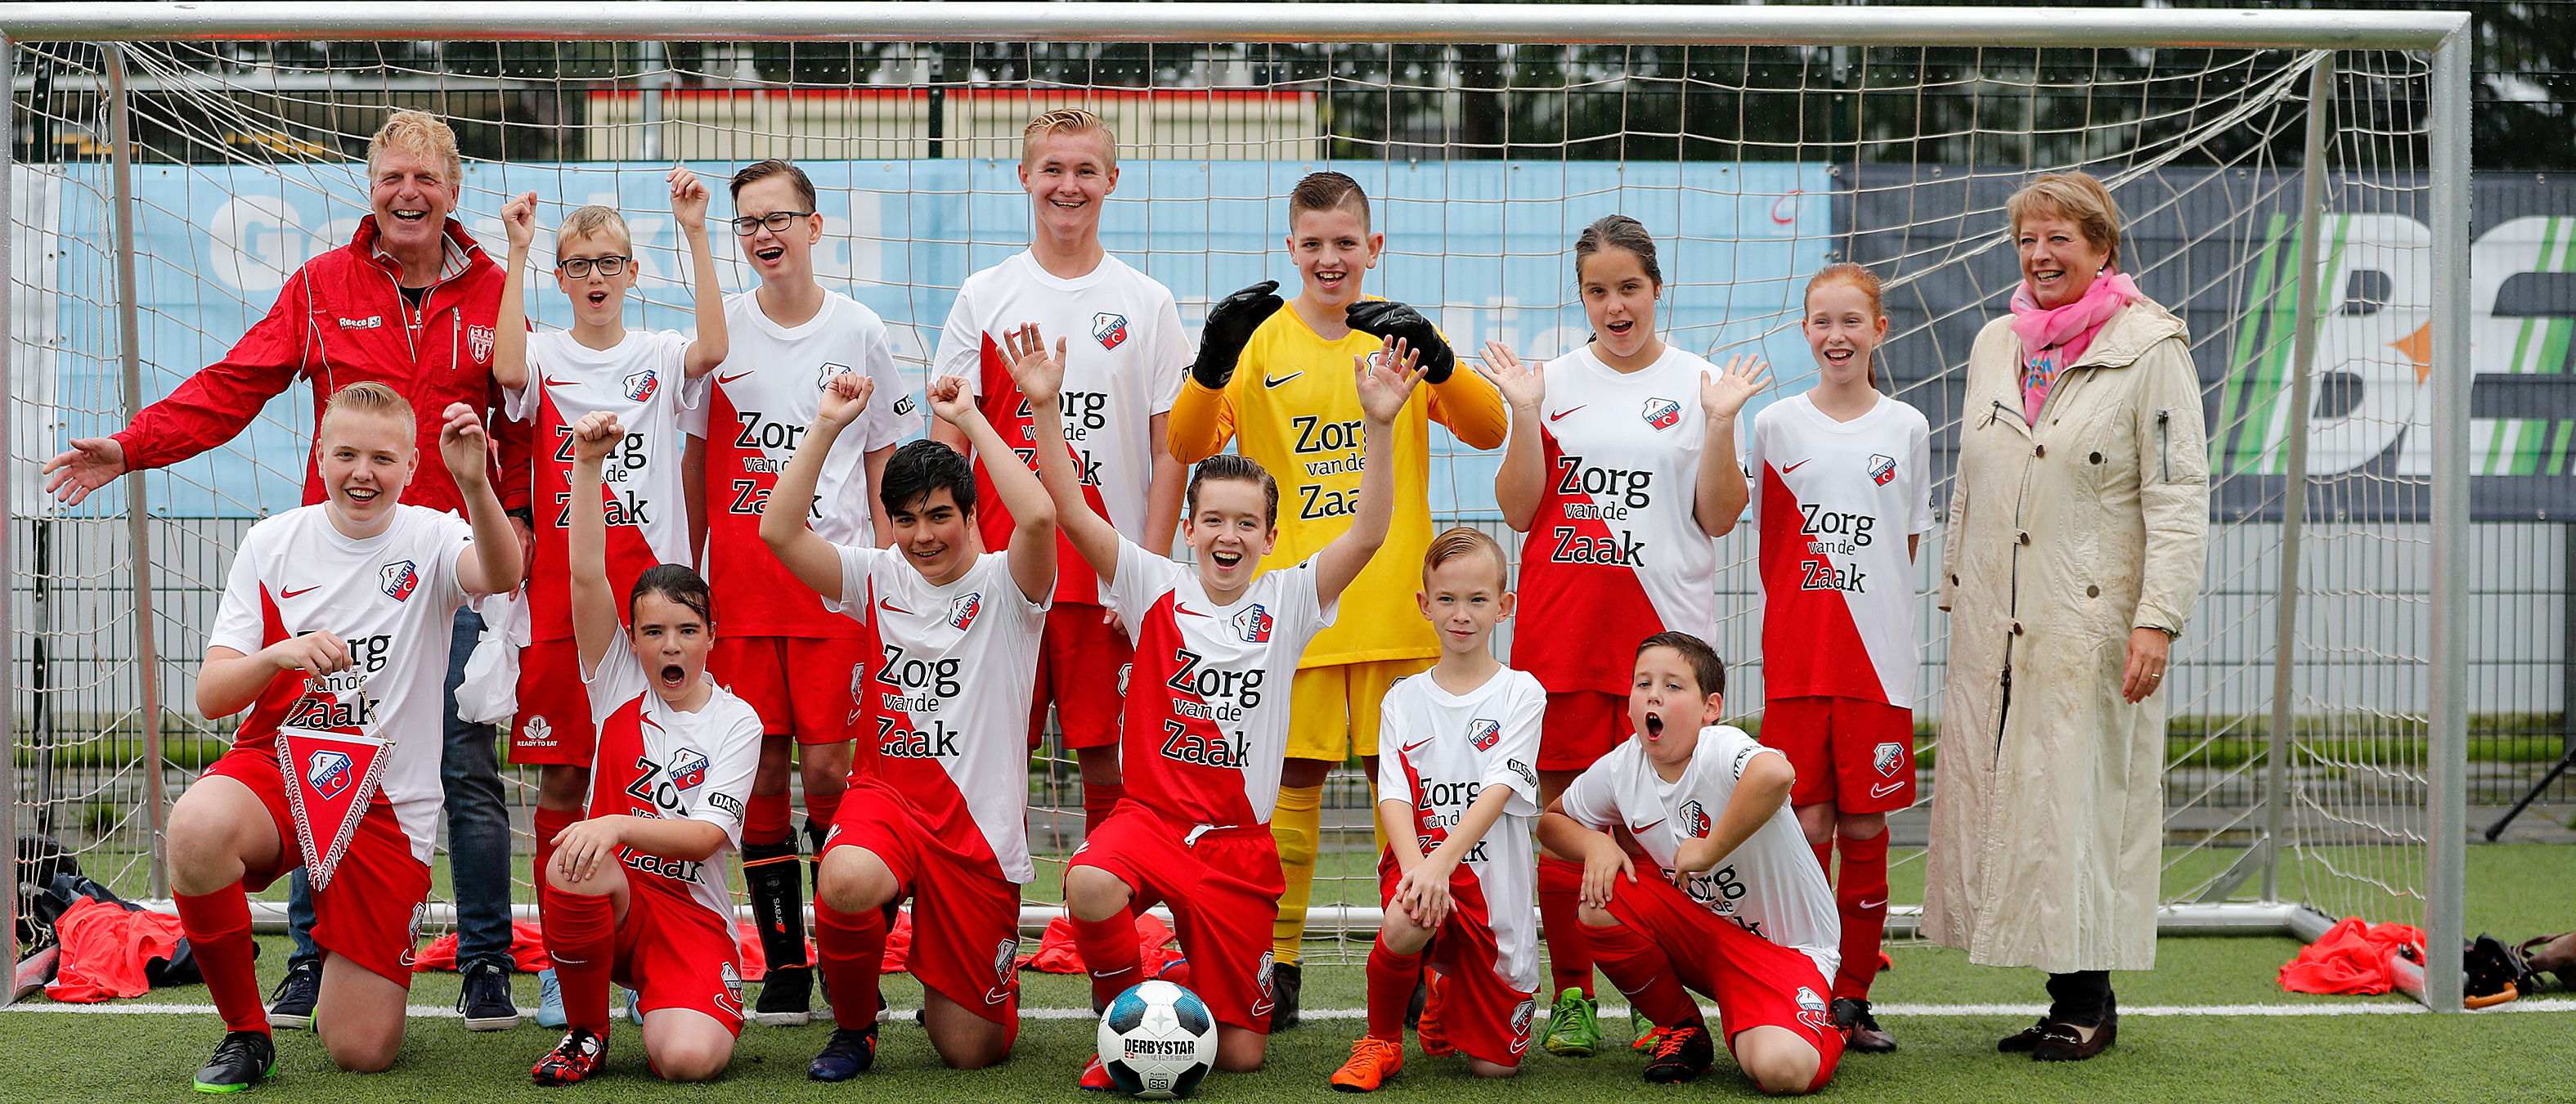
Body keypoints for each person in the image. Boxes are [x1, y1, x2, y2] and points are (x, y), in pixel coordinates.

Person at [42, 110, 531, 1032]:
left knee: (465, 766)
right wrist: (133, 447)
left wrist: (524, 546)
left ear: (454, 190)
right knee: (316, 753)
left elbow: (521, 430)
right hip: (334, 582)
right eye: (391, 177)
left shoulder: (497, 293)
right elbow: (236, 385)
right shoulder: (322, 285)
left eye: (425, 178)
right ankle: (309, 959)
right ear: (371, 186)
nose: (408, 193)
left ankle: (484, 962)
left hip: (449, 569)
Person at [1168, 172, 1509, 1026]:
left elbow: (1489, 427)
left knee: (1422, 800)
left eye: (1345, 244)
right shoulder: (1259, 345)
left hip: (1400, 612)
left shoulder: (1394, 336)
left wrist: (1440, 352)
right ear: (1291, 250)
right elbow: (1182, 443)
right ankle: (1273, 971)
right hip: (1297, 615)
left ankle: (1436, 963)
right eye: (1312, 244)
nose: (1329, 259)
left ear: (1373, 249)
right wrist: (1211, 362)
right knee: (1287, 795)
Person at [1044, 324, 1425, 1085]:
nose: (1228, 534)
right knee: (1087, 883)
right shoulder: (1153, 583)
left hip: (1236, 847)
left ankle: (1188, 966)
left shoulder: (1290, 599)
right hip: (1150, 822)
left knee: (1244, 1056)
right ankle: (1121, 1018)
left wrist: (1378, 426)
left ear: (1270, 536)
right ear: (1188, 529)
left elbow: (1372, 531)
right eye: (1213, 520)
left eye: (1246, 523)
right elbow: (1073, 512)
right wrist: (1046, 410)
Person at [1925, 170, 2210, 1061]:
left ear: (2102, 250)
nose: (2041, 255)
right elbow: (1971, 482)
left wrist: (2157, 617)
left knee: (2078, 802)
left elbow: (2178, 494)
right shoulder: (1993, 341)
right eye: (2028, 240)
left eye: (2060, 239)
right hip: (1996, 622)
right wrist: (1955, 589)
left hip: (2089, 622)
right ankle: (2061, 997)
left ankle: (2090, 1003)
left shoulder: (2151, 346)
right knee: (2018, 804)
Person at [167, 383, 522, 1090]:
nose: (364, 472)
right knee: (195, 827)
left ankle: (356, 942)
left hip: (387, 800)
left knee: (362, 1049)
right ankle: (245, 1032)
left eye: (383, 458)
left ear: (412, 463)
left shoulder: (432, 532)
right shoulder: (273, 542)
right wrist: (277, 656)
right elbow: (211, 697)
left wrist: (476, 485)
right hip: (284, 766)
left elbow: (505, 572)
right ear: (319, 455)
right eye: (348, 455)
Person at [1478, 214, 1766, 1055]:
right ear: (1581, 297)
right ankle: (1572, 995)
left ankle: (1656, 997)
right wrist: (1523, 415)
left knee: (1657, 828)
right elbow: (1522, 511)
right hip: (1563, 643)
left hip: (1662, 650)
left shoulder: (1702, 383)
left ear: (1656, 289)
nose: (1615, 305)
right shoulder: (1549, 381)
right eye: (1597, 291)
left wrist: (1717, 425)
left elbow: (1719, 515)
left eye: (1629, 288)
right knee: (1565, 823)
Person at [760, 370, 1056, 1078]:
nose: (922, 537)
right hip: (888, 801)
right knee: (844, 878)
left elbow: (1041, 517)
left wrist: (971, 419)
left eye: (939, 516)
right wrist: (828, 423)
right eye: (905, 519)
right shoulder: (877, 576)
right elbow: (777, 530)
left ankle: (975, 978)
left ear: (971, 515)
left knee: (971, 1052)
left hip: (976, 832)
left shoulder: (1011, 587)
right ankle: (856, 1030)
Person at [491, 171, 728, 1027]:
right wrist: (517, 249)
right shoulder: (547, 351)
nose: (595, 276)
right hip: (564, 598)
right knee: (563, 775)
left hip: (651, 600)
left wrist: (695, 232)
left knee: (644, 774)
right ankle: (567, 951)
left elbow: (714, 346)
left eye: (610, 263)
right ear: (561, 279)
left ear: (633, 273)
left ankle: (650, 947)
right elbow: (505, 365)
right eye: (579, 263)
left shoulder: (660, 354)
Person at [928, 109, 1187, 833]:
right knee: (992, 748)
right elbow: (949, 439)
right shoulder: (986, 295)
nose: (1067, 186)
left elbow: (1170, 449)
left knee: (1110, 758)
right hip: (1003, 569)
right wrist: (955, 560)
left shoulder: (1148, 302)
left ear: (1111, 179)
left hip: (1106, 573)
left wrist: (1148, 568)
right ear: (1024, 178)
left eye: (1083, 171)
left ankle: (1105, 931)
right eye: (1052, 170)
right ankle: (992, 922)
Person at [702, 159, 916, 1024]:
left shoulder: (860, 329)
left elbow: (882, 459)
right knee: (756, 773)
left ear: (816, 227)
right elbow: (693, 457)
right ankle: (784, 966)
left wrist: (895, 567)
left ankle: (844, 953)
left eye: (781, 217)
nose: (765, 234)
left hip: (831, 588)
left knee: (832, 768)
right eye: (750, 221)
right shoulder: (719, 335)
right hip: (742, 593)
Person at [528, 411, 762, 1085]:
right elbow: (583, 579)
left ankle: (681, 997)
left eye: (686, 630)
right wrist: (588, 466)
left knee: (685, 1062)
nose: (669, 645)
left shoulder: (737, 721)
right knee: (572, 863)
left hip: (692, 918)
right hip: (619, 898)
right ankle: (585, 1033)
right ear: (630, 638)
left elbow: (705, 840)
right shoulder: (616, 684)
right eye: (653, 631)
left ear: (712, 634)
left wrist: (613, 823)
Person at [1744, 263, 1932, 1053]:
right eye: (1822, 322)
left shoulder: (1908, 429)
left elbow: (1907, 545)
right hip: (1796, 661)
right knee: (1805, 821)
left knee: (1863, 823)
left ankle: (1854, 997)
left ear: (1879, 330)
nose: (1837, 335)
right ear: (1806, 332)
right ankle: (1806, 985)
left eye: (1853, 321)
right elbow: (1766, 544)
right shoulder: (1775, 427)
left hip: (1877, 666)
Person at [1535, 632, 1844, 1095]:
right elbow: (1551, 823)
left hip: (1787, 952)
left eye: (1673, 686)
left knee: (1782, 1073)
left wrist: (1707, 849)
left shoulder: (1719, 747)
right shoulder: (1624, 766)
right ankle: (1684, 1030)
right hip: (1704, 933)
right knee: (1602, 900)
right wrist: (1595, 846)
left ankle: (1833, 1023)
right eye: (1643, 683)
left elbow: (1777, 774)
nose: (1653, 694)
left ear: (1710, 708)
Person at [1328, 527, 1545, 1092]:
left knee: (1494, 1069)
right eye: (1446, 599)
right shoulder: (1402, 698)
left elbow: (1500, 790)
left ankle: (1444, 989)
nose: (1461, 614)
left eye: (1477, 600)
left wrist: (1438, 865)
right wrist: (1417, 871)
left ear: (1505, 605)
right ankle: (1380, 1042)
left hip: (1488, 888)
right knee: (1408, 915)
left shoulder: (1522, 694)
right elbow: (1393, 795)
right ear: (1425, 606)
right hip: (1419, 865)